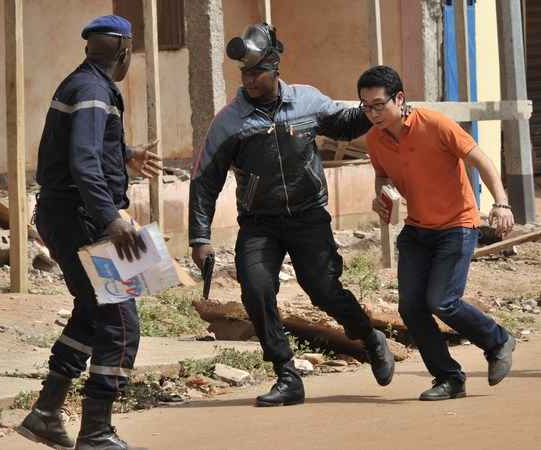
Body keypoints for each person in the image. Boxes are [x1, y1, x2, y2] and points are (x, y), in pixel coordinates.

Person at [188, 23, 395, 407]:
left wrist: (377, 107)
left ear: (274, 68)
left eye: (256, 73)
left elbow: (347, 124)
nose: (249, 80)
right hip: (259, 223)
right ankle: (286, 374)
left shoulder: (308, 102)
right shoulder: (229, 121)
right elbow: (204, 180)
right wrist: (199, 238)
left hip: (308, 217)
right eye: (244, 74)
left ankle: (370, 338)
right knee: (257, 290)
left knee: (324, 290)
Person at [16, 15, 162, 450]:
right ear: (123, 53)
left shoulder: (83, 84)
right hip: (85, 217)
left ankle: (46, 412)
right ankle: (96, 431)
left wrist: (125, 152)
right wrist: (111, 218)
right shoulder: (96, 90)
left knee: (91, 308)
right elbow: (82, 161)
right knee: (121, 321)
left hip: (66, 214)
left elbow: (83, 145)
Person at [357, 65, 516, 401]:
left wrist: (501, 203)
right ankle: (449, 378)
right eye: (366, 107)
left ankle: (497, 340)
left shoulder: (435, 124)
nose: (372, 114)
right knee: (411, 307)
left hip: (456, 227)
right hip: (417, 231)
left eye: (378, 105)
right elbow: (383, 176)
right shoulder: (374, 139)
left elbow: (482, 160)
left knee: (442, 301)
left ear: (399, 99)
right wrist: (382, 198)